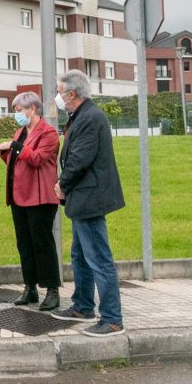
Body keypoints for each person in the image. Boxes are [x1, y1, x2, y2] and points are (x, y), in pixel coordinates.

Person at [49, 70, 127, 337]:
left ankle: (113, 319)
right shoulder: (81, 116)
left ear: (72, 94)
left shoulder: (90, 118)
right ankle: (83, 305)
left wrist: (62, 184)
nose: (57, 97)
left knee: (98, 259)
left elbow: (80, 159)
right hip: (83, 198)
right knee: (80, 256)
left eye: (60, 92)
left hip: (90, 197)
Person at [0, 91, 62, 311]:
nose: (17, 114)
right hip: (18, 196)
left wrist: (14, 147)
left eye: (19, 110)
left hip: (40, 197)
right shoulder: (20, 131)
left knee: (42, 244)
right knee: (24, 244)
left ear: (32, 109)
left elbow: (37, 158)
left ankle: (52, 290)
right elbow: (16, 160)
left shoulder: (48, 133)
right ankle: (30, 288)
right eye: (16, 111)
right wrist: (6, 151)